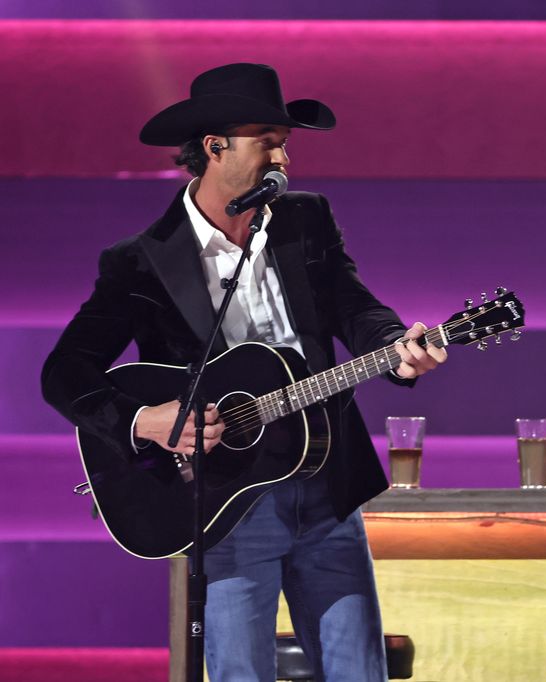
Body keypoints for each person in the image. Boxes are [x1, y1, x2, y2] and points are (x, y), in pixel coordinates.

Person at [40, 63, 446, 681]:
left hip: (324, 483)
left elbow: (352, 305)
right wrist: (146, 420)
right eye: (270, 140)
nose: (285, 155)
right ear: (215, 146)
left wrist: (396, 343)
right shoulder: (141, 261)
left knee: (360, 671)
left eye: (286, 141)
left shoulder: (304, 220)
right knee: (240, 674)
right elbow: (65, 371)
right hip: (225, 496)